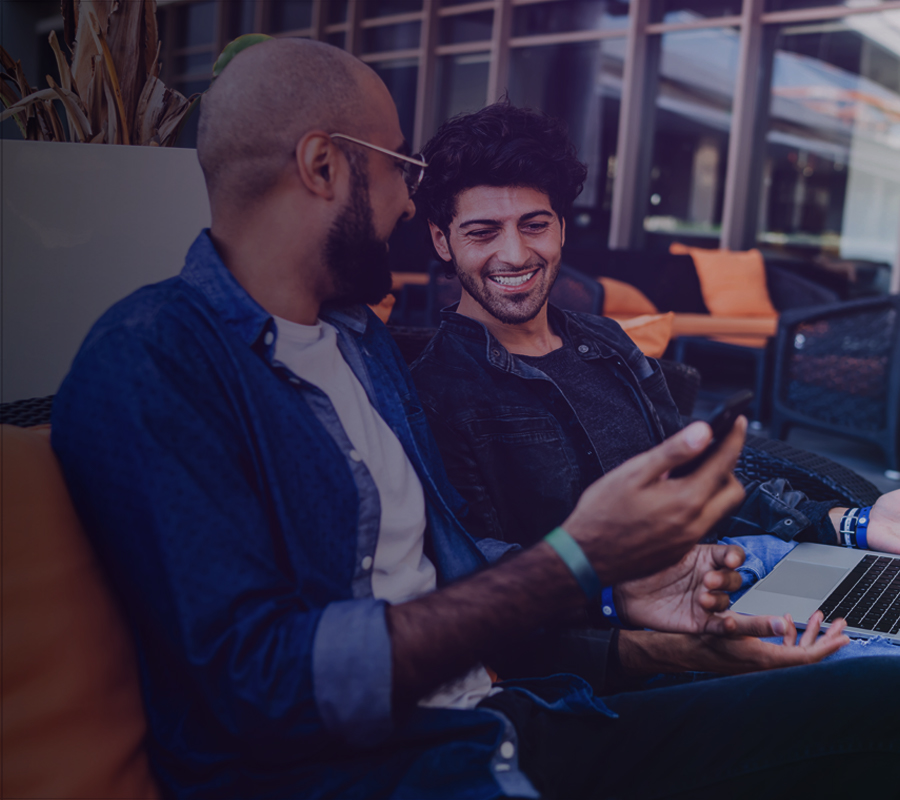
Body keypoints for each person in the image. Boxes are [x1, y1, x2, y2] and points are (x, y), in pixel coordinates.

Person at [50, 40, 899, 800]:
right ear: (324, 168)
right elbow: (264, 683)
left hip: (506, 719)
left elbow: (446, 562)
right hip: (376, 771)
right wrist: (577, 562)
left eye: (535, 224)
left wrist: (631, 597)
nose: (402, 201)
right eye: (395, 168)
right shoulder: (155, 362)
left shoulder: (356, 344)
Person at [409, 100, 900, 674]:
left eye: (535, 225)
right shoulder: (435, 390)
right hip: (648, 629)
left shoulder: (607, 342)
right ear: (443, 241)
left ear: (562, 227)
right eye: (483, 232)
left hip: (739, 566)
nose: (515, 254)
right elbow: (480, 579)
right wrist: (628, 603)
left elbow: (698, 480)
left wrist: (851, 521)